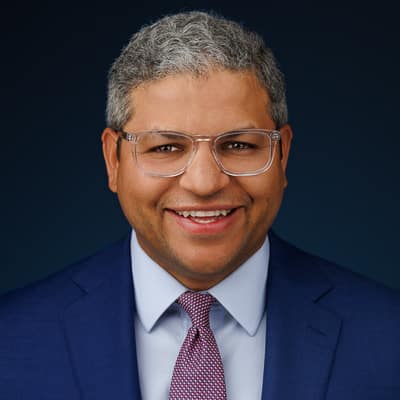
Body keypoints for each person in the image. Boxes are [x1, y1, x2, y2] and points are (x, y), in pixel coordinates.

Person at [1, 10, 399, 400]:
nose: (205, 183)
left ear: (283, 155)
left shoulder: (388, 338)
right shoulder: (11, 340)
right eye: (167, 147)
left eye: (239, 145)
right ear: (113, 160)